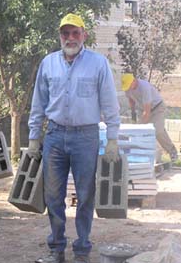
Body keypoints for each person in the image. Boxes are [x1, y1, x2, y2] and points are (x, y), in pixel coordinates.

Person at [28, 13, 121, 263]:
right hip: (55, 136)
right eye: (65, 33)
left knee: (85, 194)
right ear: (60, 36)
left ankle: (82, 249)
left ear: (84, 35)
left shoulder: (98, 63)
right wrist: (34, 138)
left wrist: (112, 138)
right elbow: (39, 103)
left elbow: (110, 102)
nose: (70, 38)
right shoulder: (48, 63)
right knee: (53, 196)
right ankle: (57, 248)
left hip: (86, 136)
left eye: (75, 33)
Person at [121, 73, 178, 161]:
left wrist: (139, 127)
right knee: (143, 132)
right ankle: (142, 156)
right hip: (142, 109)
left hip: (157, 108)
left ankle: (172, 151)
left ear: (134, 81)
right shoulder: (128, 88)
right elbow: (131, 99)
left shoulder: (144, 87)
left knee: (157, 131)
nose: (128, 89)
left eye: (129, 86)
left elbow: (147, 113)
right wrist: (133, 114)